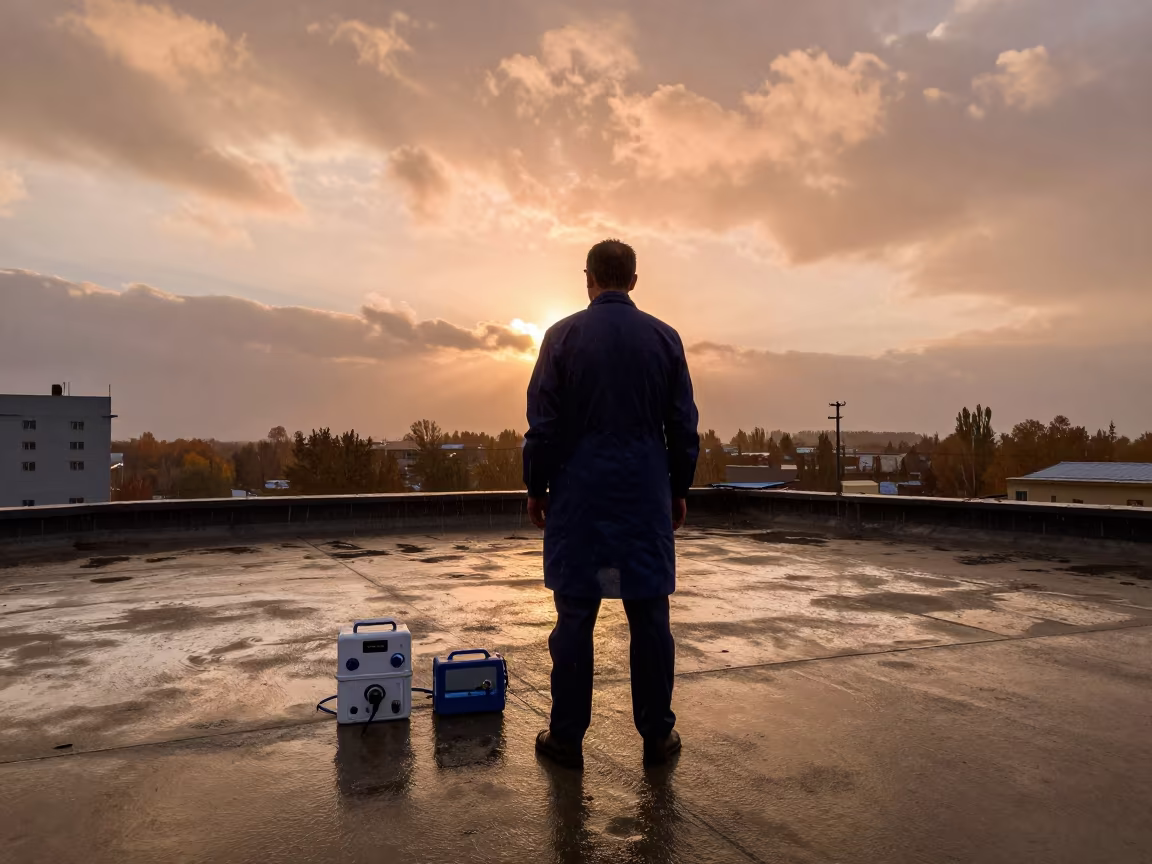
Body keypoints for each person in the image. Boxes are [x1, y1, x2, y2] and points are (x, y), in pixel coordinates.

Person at [524, 239, 700, 769]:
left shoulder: (561, 337)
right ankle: (657, 736)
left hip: (579, 501)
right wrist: (678, 488)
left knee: (575, 619)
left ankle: (566, 738)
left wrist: (537, 487)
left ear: (588, 278)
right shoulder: (664, 339)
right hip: (644, 500)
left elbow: (543, 426)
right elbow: (684, 428)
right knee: (649, 619)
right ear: (634, 280)